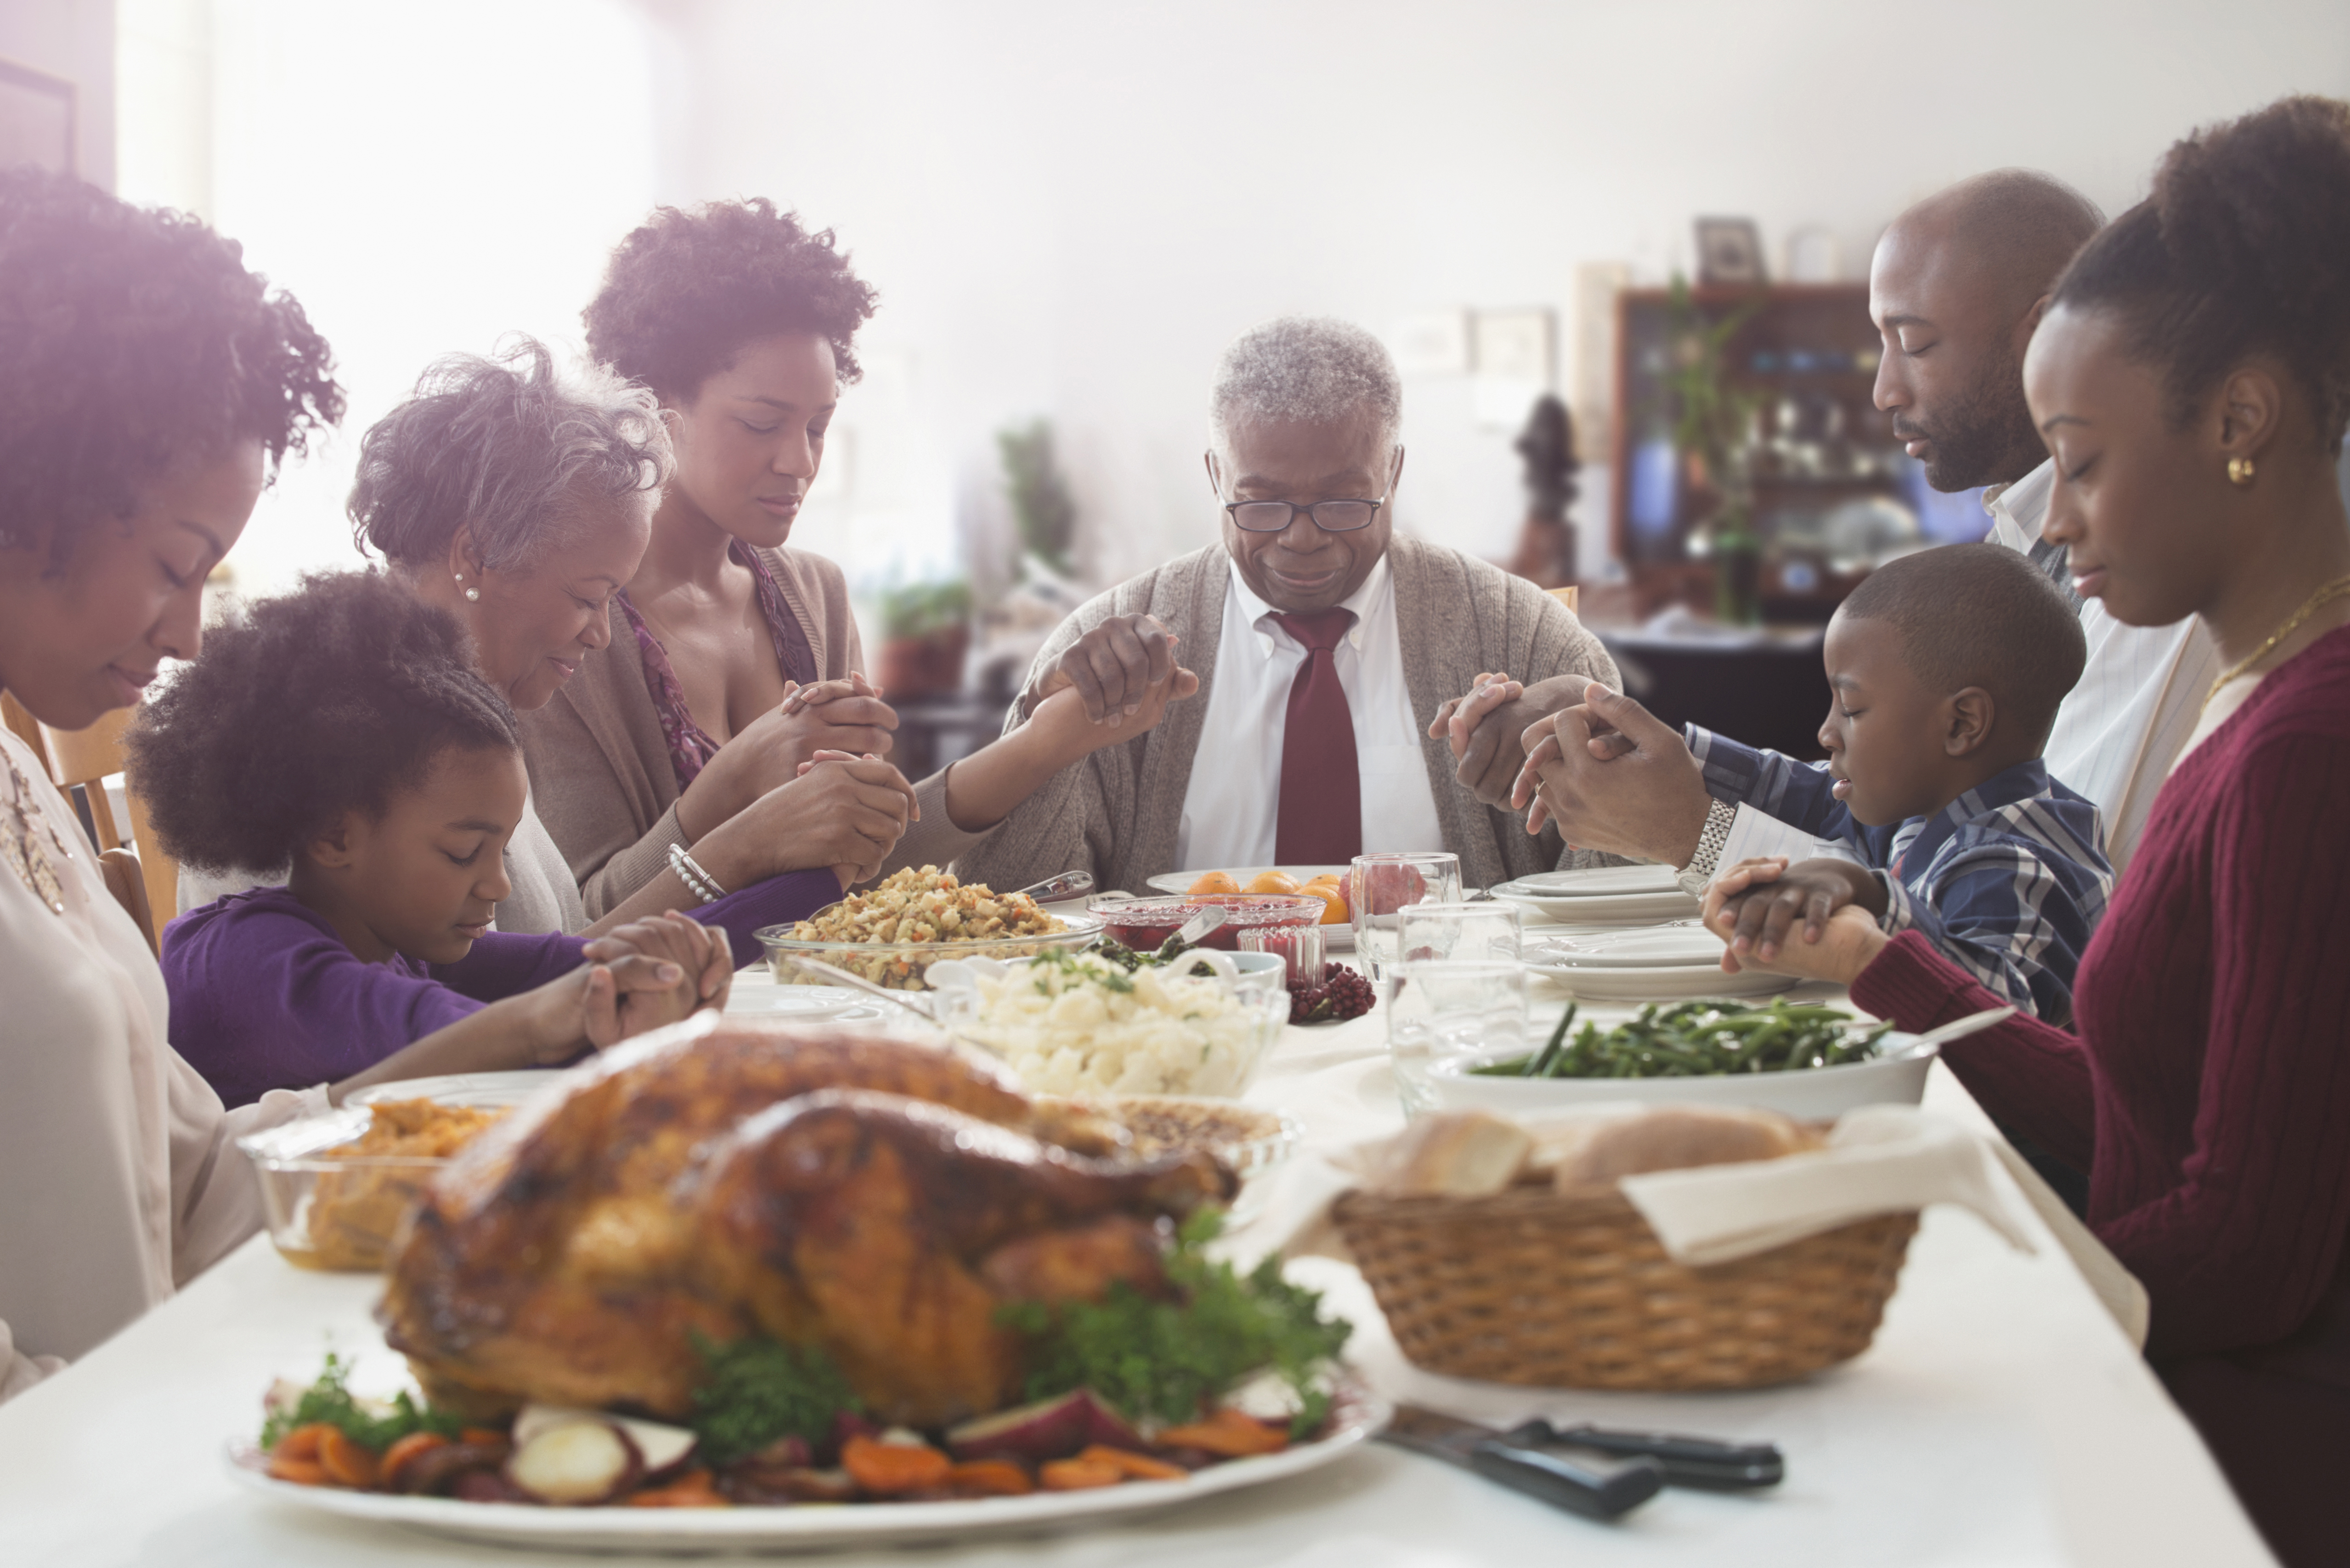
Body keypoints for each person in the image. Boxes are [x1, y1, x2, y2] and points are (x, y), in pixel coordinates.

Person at [1697, 97, 2350, 1567]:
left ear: (2238, 423)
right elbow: (2148, 1117)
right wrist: (1877, 961)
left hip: (2232, 1459)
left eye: (2083, 455)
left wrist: (1938, 1308)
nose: (2051, 522)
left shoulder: (2309, 745)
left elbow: (2243, 1255)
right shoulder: (2259, 698)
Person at [0, 174, 667, 1398]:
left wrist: (525, 1049)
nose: (192, 634)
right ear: (34, 489)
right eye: (173, 565)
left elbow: (194, 1186)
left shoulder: (21, 776)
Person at [1448, 169, 2219, 883]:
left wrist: (1699, 835)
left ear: (2048, 334)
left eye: (1914, 343)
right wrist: (1640, 744)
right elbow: (1893, 804)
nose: (1883, 390)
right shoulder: (2016, 534)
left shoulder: (2146, 571)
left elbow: (2036, 880)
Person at [530, 199, 1161, 911]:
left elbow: (863, 868)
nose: (799, 462)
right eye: (762, 423)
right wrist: (731, 784)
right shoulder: (574, 621)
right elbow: (576, 930)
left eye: (820, 427)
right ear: (652, 403)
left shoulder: (813, 596)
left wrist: (1044, 743)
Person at [955, 316, 1621, 895]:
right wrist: (1041, 739)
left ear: (1393, 472)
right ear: (1216, 475)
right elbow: (1018, 909)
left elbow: (1622, 902)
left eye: (1342, 502)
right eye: (1262, 502)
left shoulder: (1529, 640)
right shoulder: (1101, 655)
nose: (1301, 537)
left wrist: (1592, 759)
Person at [137, 573, 729, 1106]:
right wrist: (601, 999)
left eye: (501, 852)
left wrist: (669, 960)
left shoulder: (395, 941)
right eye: (463, 853)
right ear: (335, 836)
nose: (497, 884)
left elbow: (557, 964)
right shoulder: (247, 962)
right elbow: (437, 1032)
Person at [346, 341, 852, 955]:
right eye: (588, 598)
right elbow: (492, 1000)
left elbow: (543, 967)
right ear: (474, 556)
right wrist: (741, 846)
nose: (602, 633)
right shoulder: (366, 745)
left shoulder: (472, 719)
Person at [1525, 543, 2110, 1021]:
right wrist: (1659, 748)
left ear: (1961, 724)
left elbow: (2001, 1019)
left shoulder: (2018, 859)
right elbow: (1799, 793)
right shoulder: (1926, 804)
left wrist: (1874, 898)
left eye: (1851, 710)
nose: (1827, 732)